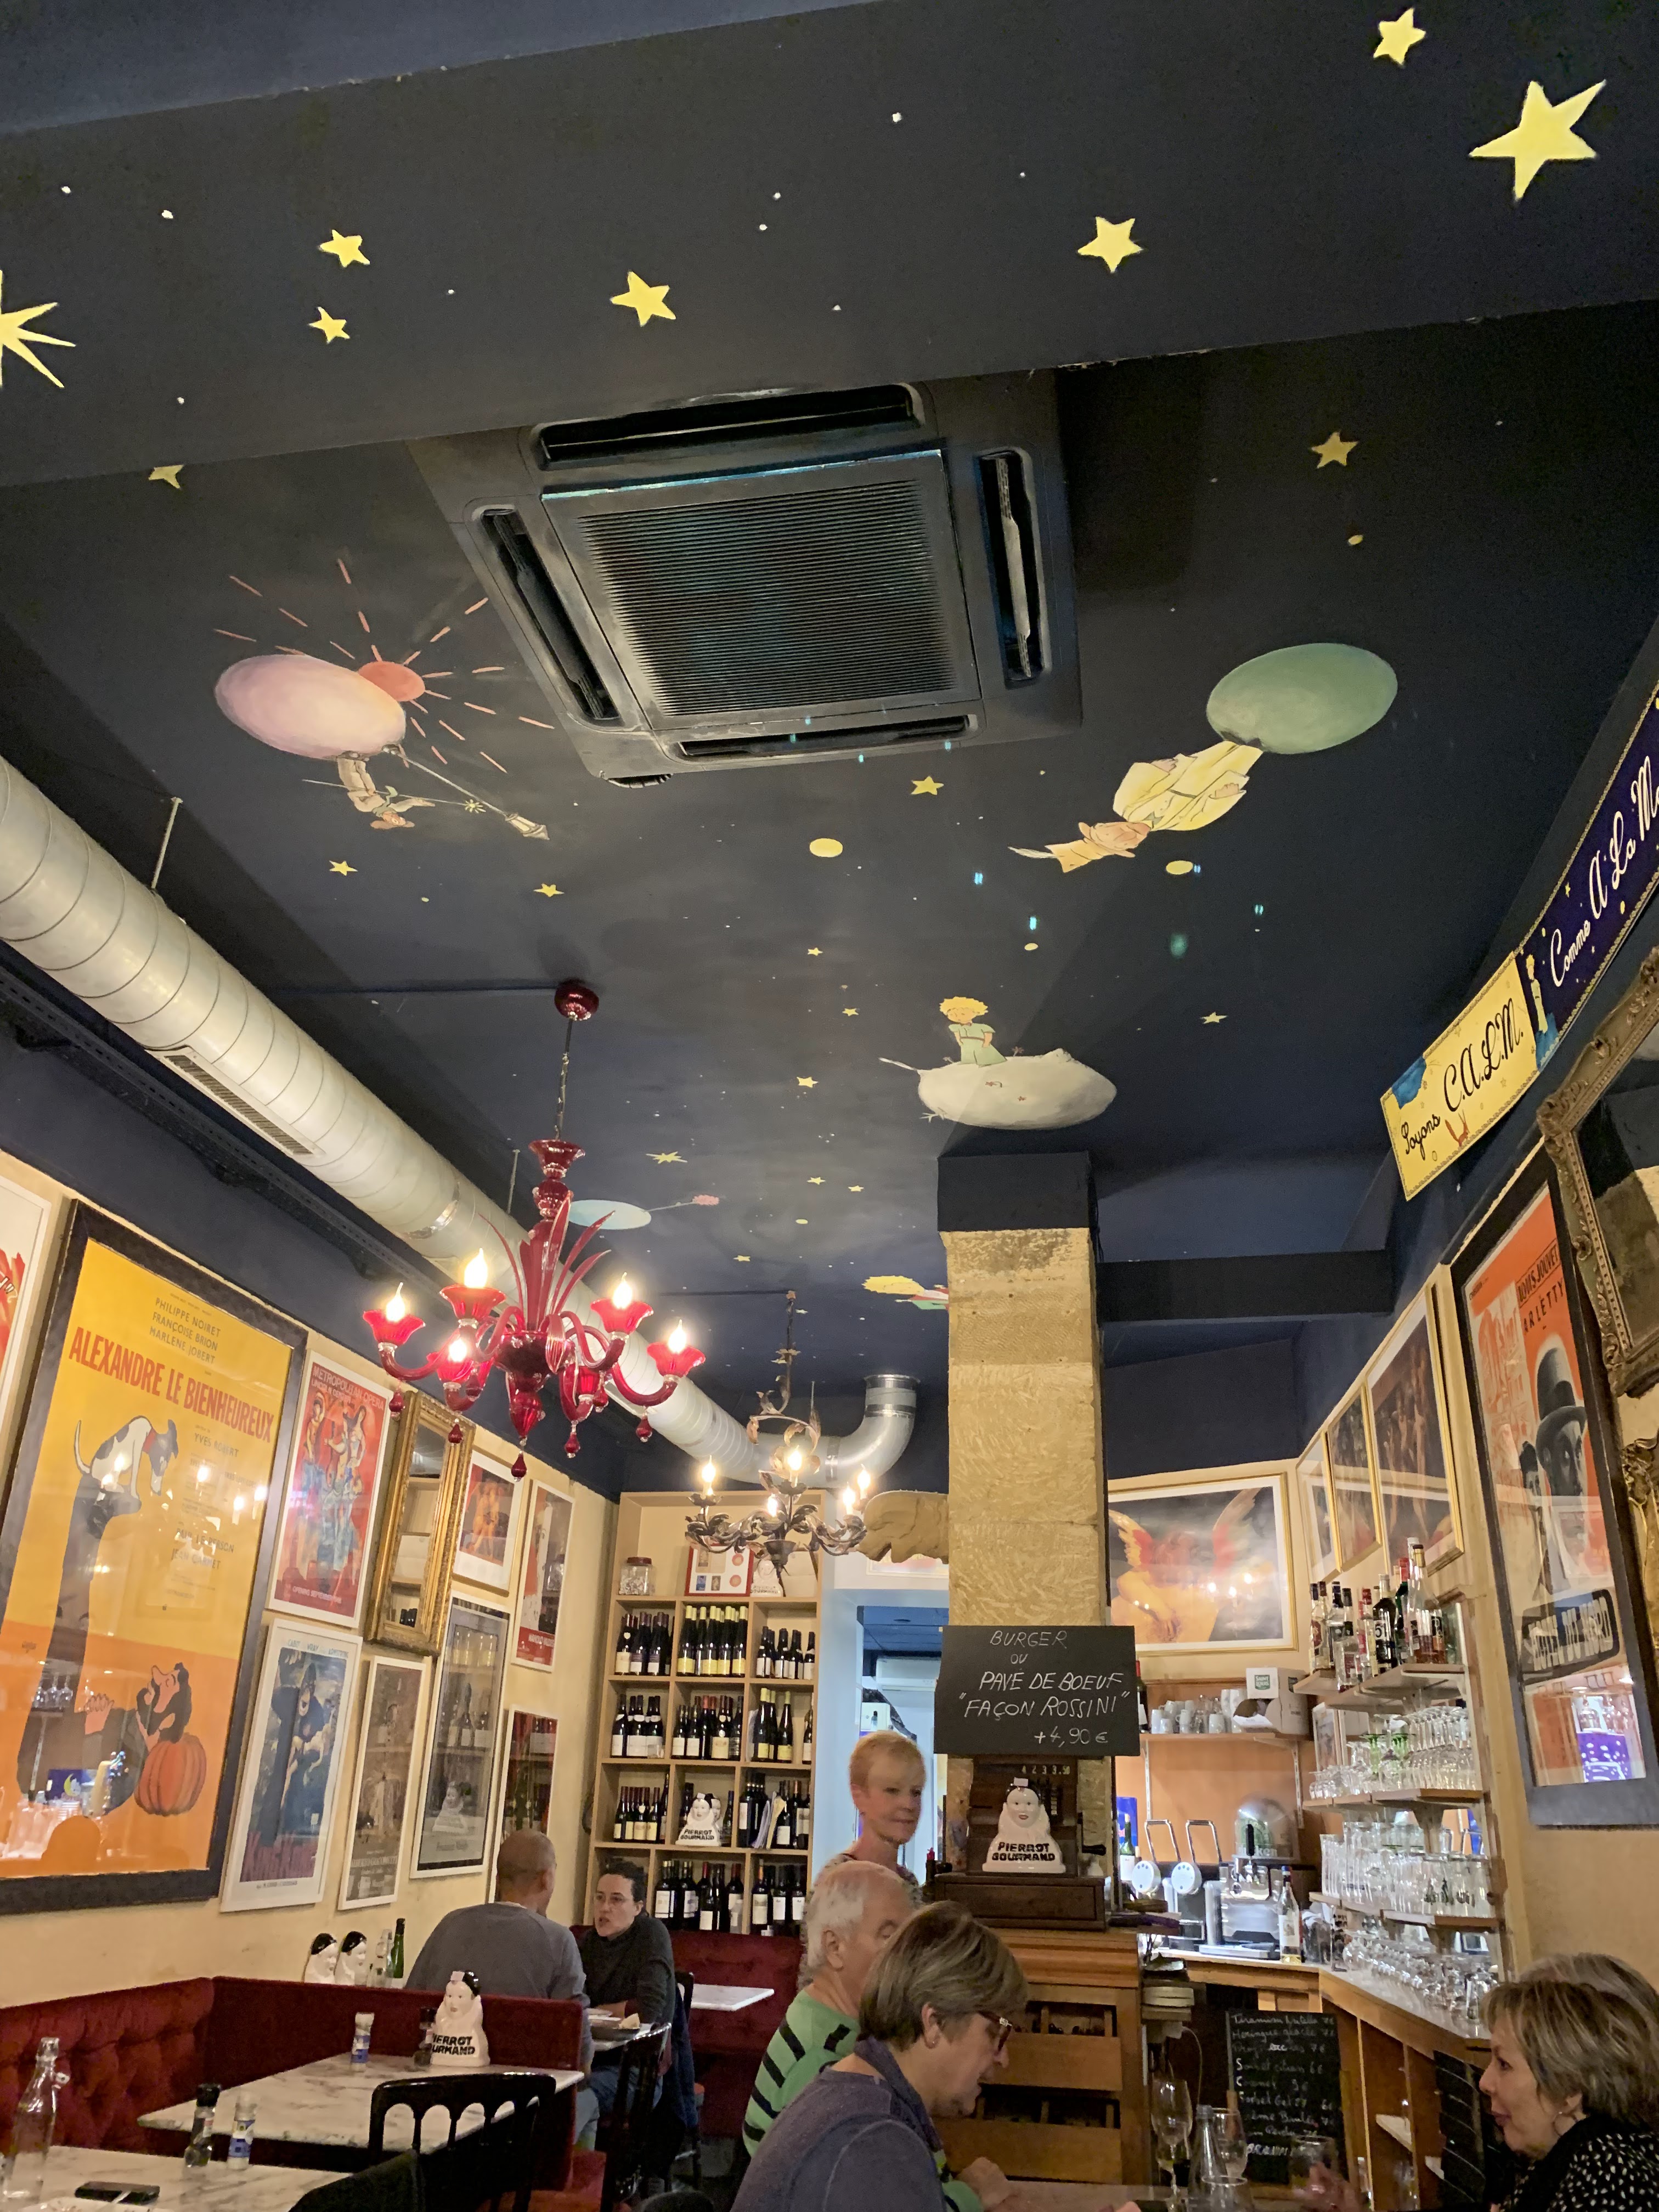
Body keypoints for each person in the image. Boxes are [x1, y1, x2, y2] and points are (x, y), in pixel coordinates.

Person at [742, 1862, 1008, 2212]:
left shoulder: (838, 2026)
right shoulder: (828, 2057)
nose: (909, 1958)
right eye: (891, 1937)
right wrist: (969, 2195)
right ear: (835, 1948)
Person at [1299, 1954, 1659, 2212]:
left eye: (1504, 2064)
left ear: (1570, 2084)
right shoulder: (1561, 2159)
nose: (1485, 2082)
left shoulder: (1610, 2180)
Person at [408, 1829, 594, 2075]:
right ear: (547, 1879)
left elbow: (409, 2008)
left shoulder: (450, 1924)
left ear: (498, 1878)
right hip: (523, 2088)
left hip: (438, 2080)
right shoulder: (558, 1940)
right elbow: (578, 2054)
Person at [577, 1863, 678, 2120]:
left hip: (637, 2070)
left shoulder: (652, 1935)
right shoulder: (589, 1942)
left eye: (616, 1900)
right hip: (591, 2059)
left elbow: (648, 2009)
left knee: (572, 2096)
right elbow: (574, 2003)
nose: (604, 1908)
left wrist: (597, 2010)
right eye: (600, 1898)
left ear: (638, 1907)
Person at [821, 1730, 925, 1899]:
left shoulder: (908, 1881)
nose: (909, 1805)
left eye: (916, 1792)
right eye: (892, 1791)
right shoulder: (842, 1882)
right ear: (859, 1796)